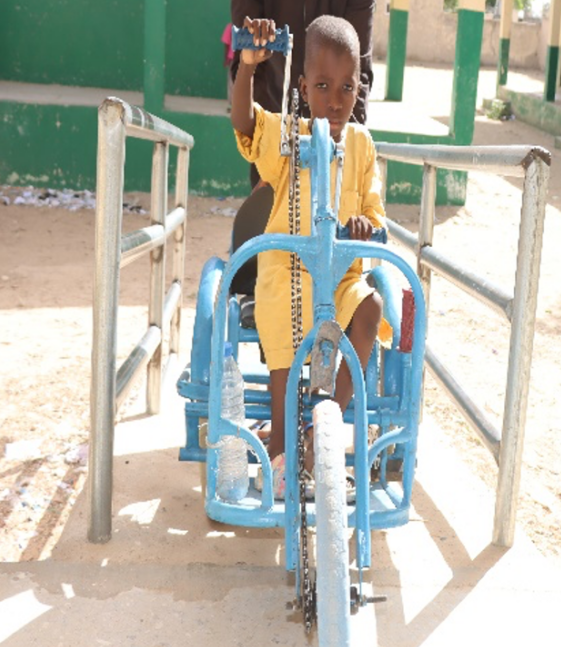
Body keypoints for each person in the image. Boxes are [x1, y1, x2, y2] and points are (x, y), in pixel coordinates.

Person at [232, 15, 389, 497]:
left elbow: (375, 215)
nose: (336, 100)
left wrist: (365, 225)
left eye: (346, 87)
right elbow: (244, 123)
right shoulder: (288, 137)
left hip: (339, 273)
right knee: (284, 343)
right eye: (323, 86)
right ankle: (281, 452)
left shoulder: (361, 145)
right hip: (288, 269)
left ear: (359, 88)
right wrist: (247, 68)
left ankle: (323, 427)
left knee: (371, 309)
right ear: (302, 87)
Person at [231, 0, 375, 189]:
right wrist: (266, 151)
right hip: (277, 117)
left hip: (334, 137)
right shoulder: (272, 130)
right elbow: (248, 59)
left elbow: (358, 69)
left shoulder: (361, 145)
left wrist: (344, 154)